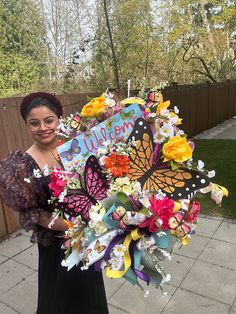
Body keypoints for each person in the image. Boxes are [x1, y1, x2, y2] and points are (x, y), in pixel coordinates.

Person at [0, 92, 109, 314]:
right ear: (27, 125)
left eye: (48, 120)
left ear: (59, 119)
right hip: (57, 246)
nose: (43, 127)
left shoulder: (74, 149)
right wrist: (73, 228)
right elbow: (35, 214)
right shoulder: (21, 165)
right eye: (34, 123)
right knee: (58, 301)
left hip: (88, 240)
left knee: (91, 297)